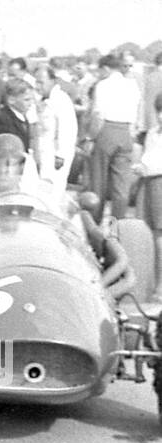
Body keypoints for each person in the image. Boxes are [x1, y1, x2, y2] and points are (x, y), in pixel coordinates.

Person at [89, 53, 141, 220]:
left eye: (100, 71)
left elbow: (98, 116)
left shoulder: (102, 85)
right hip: (126, 132)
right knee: (121, 185)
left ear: (105, 68)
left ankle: (96, 221)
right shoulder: (133, 86)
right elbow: (136, 114)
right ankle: (117, 224)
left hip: (107, 130)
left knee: (99, 182)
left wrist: (90, 138)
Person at [133, 92, 162, 299]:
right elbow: (148, 156)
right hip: (149, 184)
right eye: (159, 111)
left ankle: (160, 285)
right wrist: (141, 165)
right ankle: (149, 282)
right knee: (148, 233)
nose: (161, 116)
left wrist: (148, 168)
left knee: (160, 235)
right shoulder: (153, 133)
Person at [34, 64, 76, 196]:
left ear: (52, 81)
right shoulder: (41, 100)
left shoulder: (61, 100)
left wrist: (61, 154)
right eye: (36, 82)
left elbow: (68, 130)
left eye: (41, 82)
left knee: (52, 191)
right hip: (42, 151)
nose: (38, 86)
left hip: (55, 154)